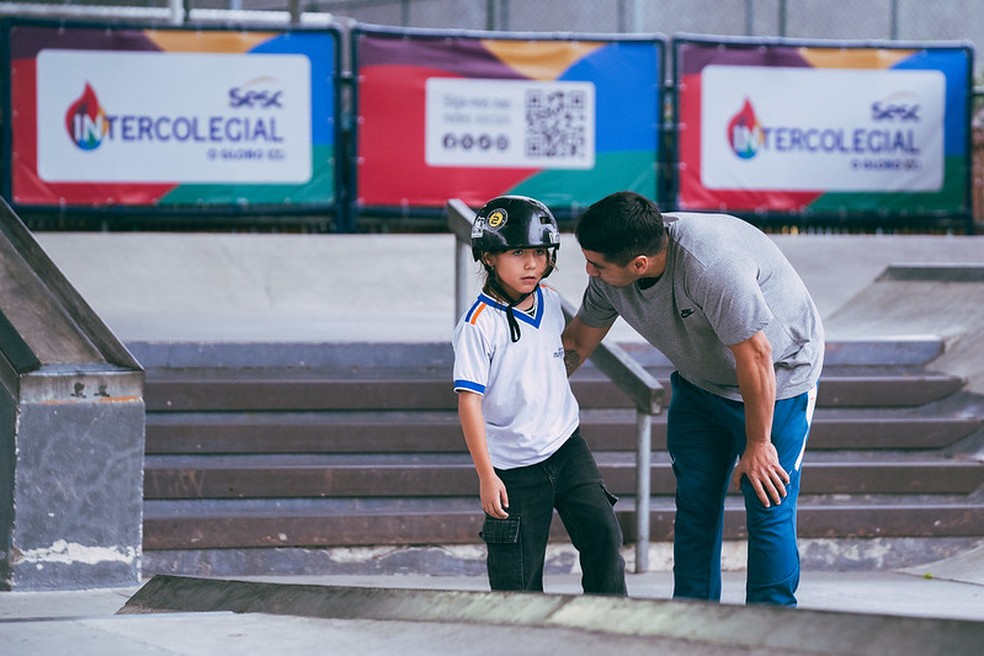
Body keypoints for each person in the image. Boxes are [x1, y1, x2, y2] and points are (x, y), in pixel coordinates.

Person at [561, 191, 824, 606]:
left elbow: (756, 355)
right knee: (695, 506)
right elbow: (576, 341)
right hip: (701, 383)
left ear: (639, 264)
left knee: (767, 501)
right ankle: (692, 618)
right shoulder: (612, 276)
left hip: (778, 378)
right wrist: (528, 392)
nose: (588, 271)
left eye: (596, 264)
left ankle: (770, 627)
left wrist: (759, 444)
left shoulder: (710, 266)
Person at [452, 195, 627, 595]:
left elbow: (552, 355)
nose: (531, 263)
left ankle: (609, 628)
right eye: (517, 252)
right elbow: (469, 402)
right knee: (518, 577)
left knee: (604, 538)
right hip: (512, 467)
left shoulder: (548, 300)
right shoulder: (478, 325)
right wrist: (486, 475)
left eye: (539, 252)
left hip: (567, 448)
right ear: (489, 258)